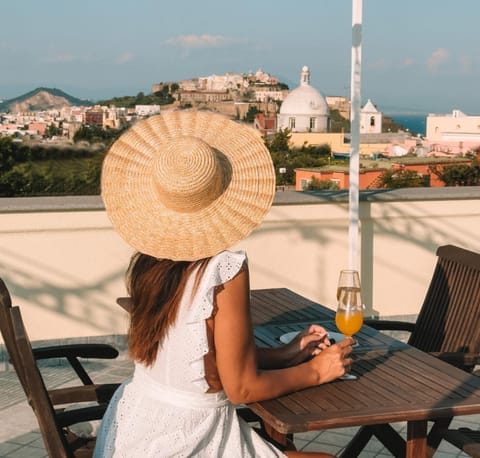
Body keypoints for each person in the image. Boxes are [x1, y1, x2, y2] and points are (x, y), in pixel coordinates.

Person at [94, 110, 354, 458]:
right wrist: (316, 371)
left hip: (135, 429)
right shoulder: (224, 270)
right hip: (190, 441)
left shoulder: (149, 264)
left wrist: (286, 354)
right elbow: (242, 388)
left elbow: (202, 360)